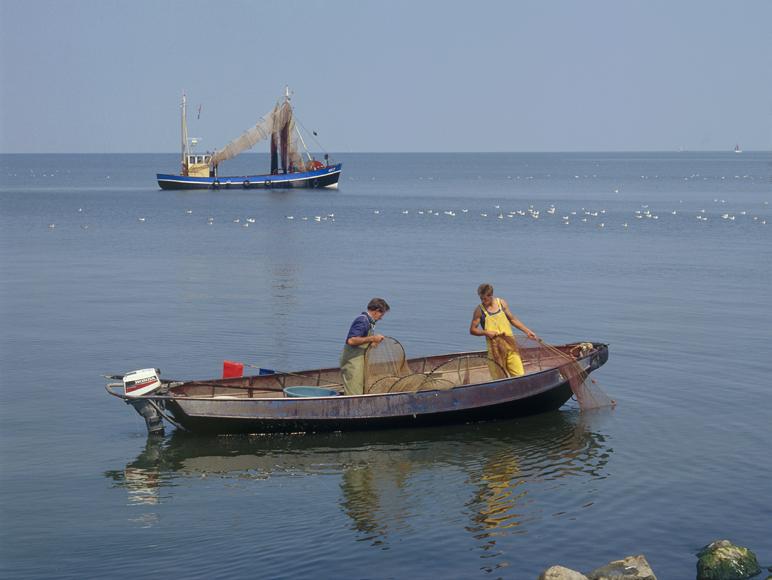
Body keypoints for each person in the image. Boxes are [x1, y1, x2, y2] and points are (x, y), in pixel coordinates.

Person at [469, 283, 538, 377]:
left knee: (520, 375)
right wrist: (486, 332)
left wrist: (528, 331)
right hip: (495, 352)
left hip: (510, 347)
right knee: (499, 378)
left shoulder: (501, 303)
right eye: (481, 299)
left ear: (491, 295)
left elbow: (513, 320)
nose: (483, 301)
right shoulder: (479, 310)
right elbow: (472, 330)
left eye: (485, 298)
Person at [340, 298, 390, 395]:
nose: (381, 318)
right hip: (352, 361)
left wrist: (372, 343)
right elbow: (351, 340)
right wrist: (372, 339)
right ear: (376, 311)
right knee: (353, 391)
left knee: (360, 387)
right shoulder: (362, 321)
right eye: (382, 314)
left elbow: (362, 340)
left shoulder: (369, 322)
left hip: (359, 361)